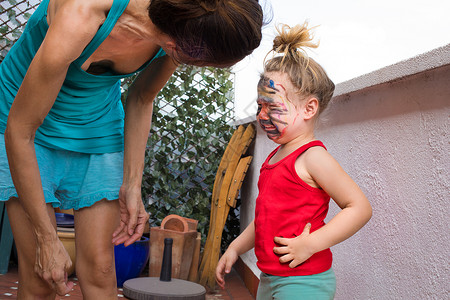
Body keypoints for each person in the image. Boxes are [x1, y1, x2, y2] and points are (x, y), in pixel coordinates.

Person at [0, 0, 264, 297]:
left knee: (101, 269)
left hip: (97, 123)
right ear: (181, 33)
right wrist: (48, 240)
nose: (192, 63)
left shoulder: (181, 31)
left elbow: (141, 98)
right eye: (196, 58)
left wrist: (132, 185)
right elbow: (19, 132)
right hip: (24, 122)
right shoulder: (84, 12)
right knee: (41, 278)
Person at [215, 23, 372, 300]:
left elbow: (359, 208)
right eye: (260, 106)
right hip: (270, 278)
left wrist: (310, 244)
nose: (262, 115)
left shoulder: (314, 157)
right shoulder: (274, 157)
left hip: (305, 281)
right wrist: (235, 248)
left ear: (309, 108)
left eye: (273, 107)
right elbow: (265, 220)